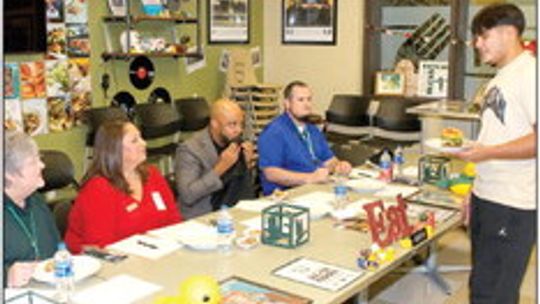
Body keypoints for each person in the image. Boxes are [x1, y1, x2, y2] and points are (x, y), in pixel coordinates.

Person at [453, 4, 536, 304]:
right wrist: (474, 191)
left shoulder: (530, 73)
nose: (477, 44)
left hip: (513, 205)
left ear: (508, 32)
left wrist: (487, 152)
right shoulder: (502, 77)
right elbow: (496, 136)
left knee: (496, 294)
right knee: (482, 288)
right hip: (489, 198)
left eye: (483, 36)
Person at [65, 120, 182, 253]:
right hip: (112, 263)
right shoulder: (98, 188)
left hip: (155, 255)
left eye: (141, 137)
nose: (144, 143)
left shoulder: (152, 175)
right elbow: (101, 246)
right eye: (134, 141)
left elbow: (173, 220)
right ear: (115, 149)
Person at [258, 81, 352, 195]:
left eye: (309, 99)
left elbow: (329, 160)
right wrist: (310, 178)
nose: (307, 104)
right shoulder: (274, 132)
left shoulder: (312, 129)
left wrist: (339, 166)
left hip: (316, 190)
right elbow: (271, 173)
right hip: (287, 195)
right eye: (301, 100)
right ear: (287, 103)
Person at [175, 99, 256, 219]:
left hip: (237, 212)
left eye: (241, 124)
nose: (239, 130)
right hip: (205, 217)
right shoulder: (190, 149)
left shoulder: (235, 142)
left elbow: (242, 187)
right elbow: (188, 195)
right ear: (215, 124)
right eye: (232, 124)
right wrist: (221, 167)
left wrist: (248, 165)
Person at [4, 131, 61, 287]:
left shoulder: (36, 201)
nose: (42, 165)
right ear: (9, 175)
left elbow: (57, 249)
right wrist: (5, 277)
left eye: (39, 158)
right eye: (32, 162)